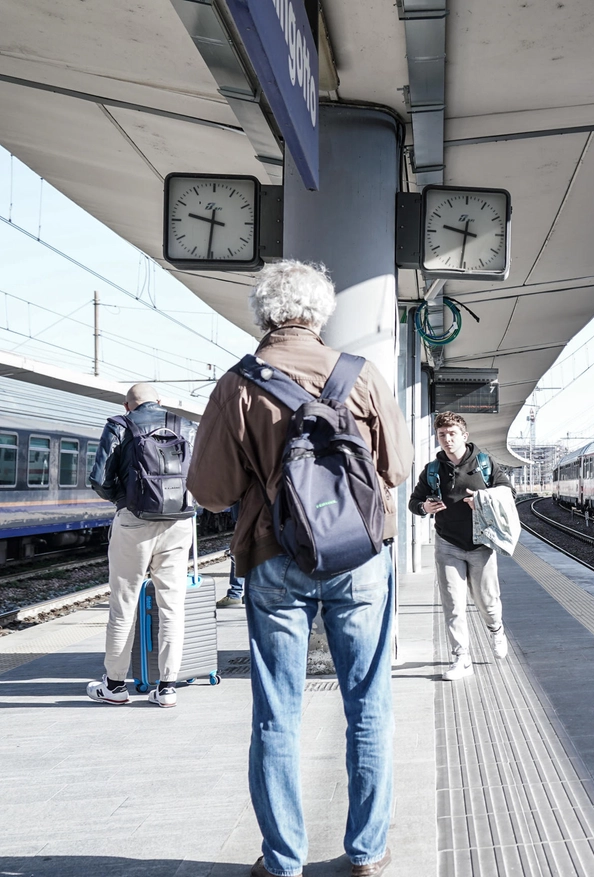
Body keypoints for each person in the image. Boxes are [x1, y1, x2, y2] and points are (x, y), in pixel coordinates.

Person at [187, 260, 410, 877]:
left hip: (275, 557)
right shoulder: (360, 377)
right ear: (320, 314)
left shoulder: (237, 385)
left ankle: (283, 859)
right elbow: (394, 471)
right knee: (368, 704)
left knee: (277, 711)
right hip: (361, 559)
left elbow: (209, 488)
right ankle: (367, 852)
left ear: (263, 315)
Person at [85, 383, 196, 708]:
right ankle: (167, 688)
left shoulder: (120, 425)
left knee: (123, 604)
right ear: (159, 402)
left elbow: (100, 479)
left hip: (133, 521)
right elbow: (201, 473)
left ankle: (115, 686)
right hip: (178, 522)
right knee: (172, 606)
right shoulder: (185, 425)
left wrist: (124, 500)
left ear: (127, 405)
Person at [409, 412, 506, 681]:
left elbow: (508, 493)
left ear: (464, 436)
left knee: (486, 601)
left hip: (481, 544)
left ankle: (496, 629)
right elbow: (414, 502)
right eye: (442, 435)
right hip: (447, 543)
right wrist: (424, 507)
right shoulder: (432, 470)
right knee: (453, 604)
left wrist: (483, 500)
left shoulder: (485, 464)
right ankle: (461, 656)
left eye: (452, 434)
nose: (447, 439)